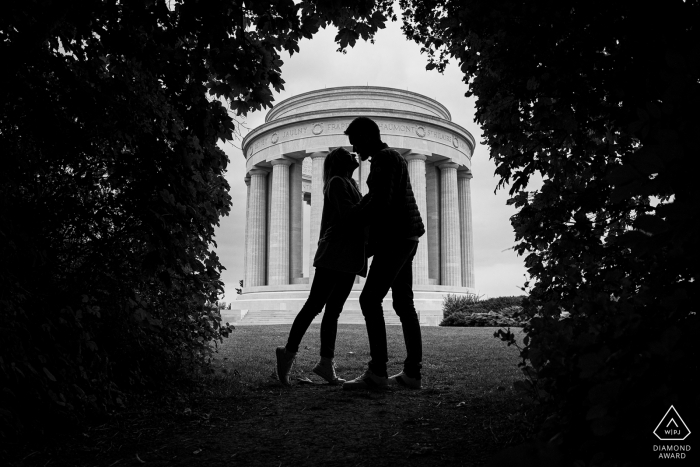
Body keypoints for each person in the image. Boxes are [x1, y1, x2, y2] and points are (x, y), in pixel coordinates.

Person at [341, 116, 426, 390]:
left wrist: (351, 218)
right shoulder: (394, 157)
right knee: (404, 304)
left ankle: (377, 371)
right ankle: (412, 373)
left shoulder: (383, 158)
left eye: (355, 142)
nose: (355, 149)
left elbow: (379, 201)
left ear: (367, 136)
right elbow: (384, 200)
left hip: (396, 237)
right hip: (407, 235)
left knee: (369, 299)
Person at [275, 147, 366, 386]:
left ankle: (325, 363)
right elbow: (348, 215)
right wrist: (372, 202)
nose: (353, 155)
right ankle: (288, 353)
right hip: (335, 254)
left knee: (333, 310)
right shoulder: (337, 182)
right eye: (347, 154)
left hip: (348, 256)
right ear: (339, 161)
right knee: (314, 305)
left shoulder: (350, 183)